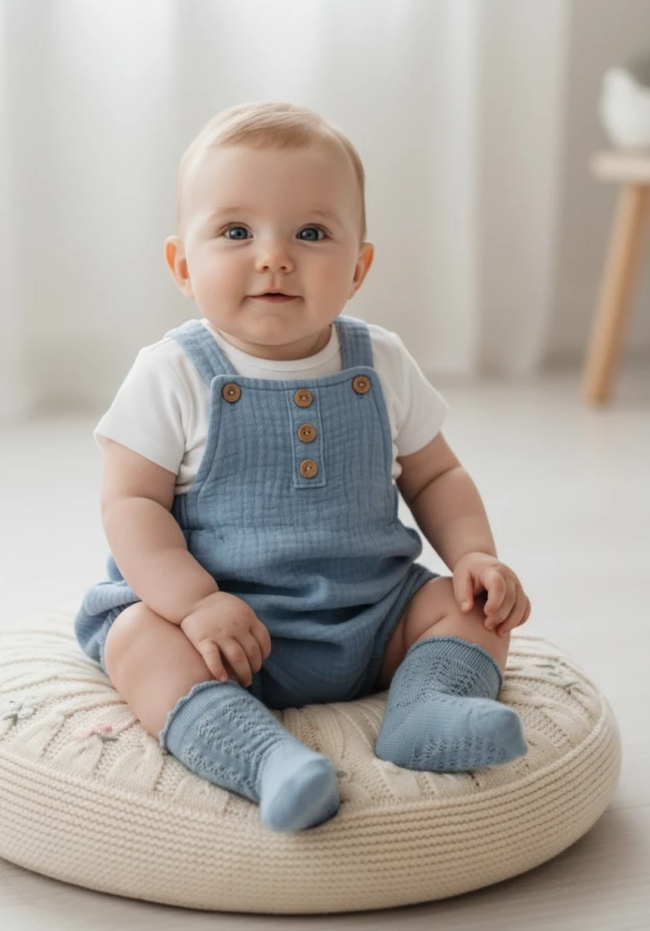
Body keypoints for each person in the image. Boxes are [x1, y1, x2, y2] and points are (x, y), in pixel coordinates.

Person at [74, 101, 531, 833]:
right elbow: (131, 505)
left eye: (311, 233)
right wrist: (193, 603)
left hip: (373, 615)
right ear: (183, 266)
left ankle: (427, 706)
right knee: (135, 639)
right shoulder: (171, 374)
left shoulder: (381, 362)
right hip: (224, 633)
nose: (274, 257)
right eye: (236, 232)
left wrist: (475, 556)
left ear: (359, 268)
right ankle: (264, 759)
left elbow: (436, 477)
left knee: (469, 609)